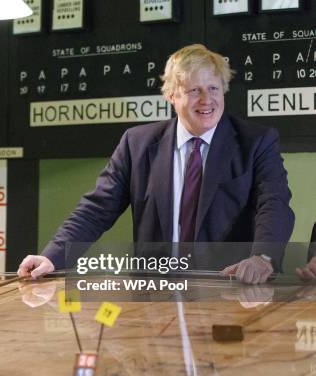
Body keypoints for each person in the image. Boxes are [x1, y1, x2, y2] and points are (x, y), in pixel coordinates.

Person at [18, 44, 294, 284]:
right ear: (171, 95)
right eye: (194, 90)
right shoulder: (136, 143)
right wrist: (52, 256)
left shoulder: (256, 141)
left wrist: (263, 256)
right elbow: (97, 208)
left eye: (213, 88)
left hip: (229, 287)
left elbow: (274, 202)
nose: (207, 99)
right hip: (155, 294)